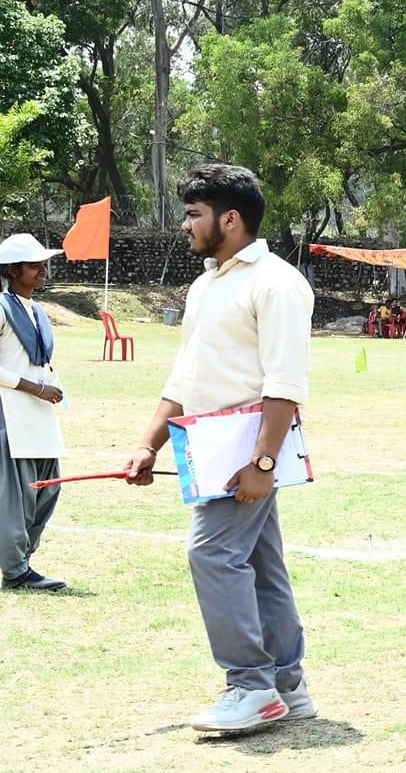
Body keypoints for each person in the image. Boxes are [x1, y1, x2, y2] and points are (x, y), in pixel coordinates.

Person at [120, 165, 318, 734]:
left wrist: (262, 464)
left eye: (194, 214)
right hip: (208, 448)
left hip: (245, 454)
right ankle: (287, 683)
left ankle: (250, 685)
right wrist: (148, 443)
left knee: (212, 554)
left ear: (230, 220)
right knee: (261, 566)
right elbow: (184, 378)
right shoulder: (207, 284)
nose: (185, 225)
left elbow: (285, 384)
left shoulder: (276, 283)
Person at [0, 234, 67, 592]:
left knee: (48, 490)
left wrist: (48, 387)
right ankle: (15, 571)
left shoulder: (37, 311)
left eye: (44, 263)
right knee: (17, 497)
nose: (43, 270)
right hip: (11, 415)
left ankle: (24, 561)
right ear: (12, 270)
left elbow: (38, 362)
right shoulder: (1, 307)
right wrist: (34, 387)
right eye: (34, 264)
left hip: (40, 415)